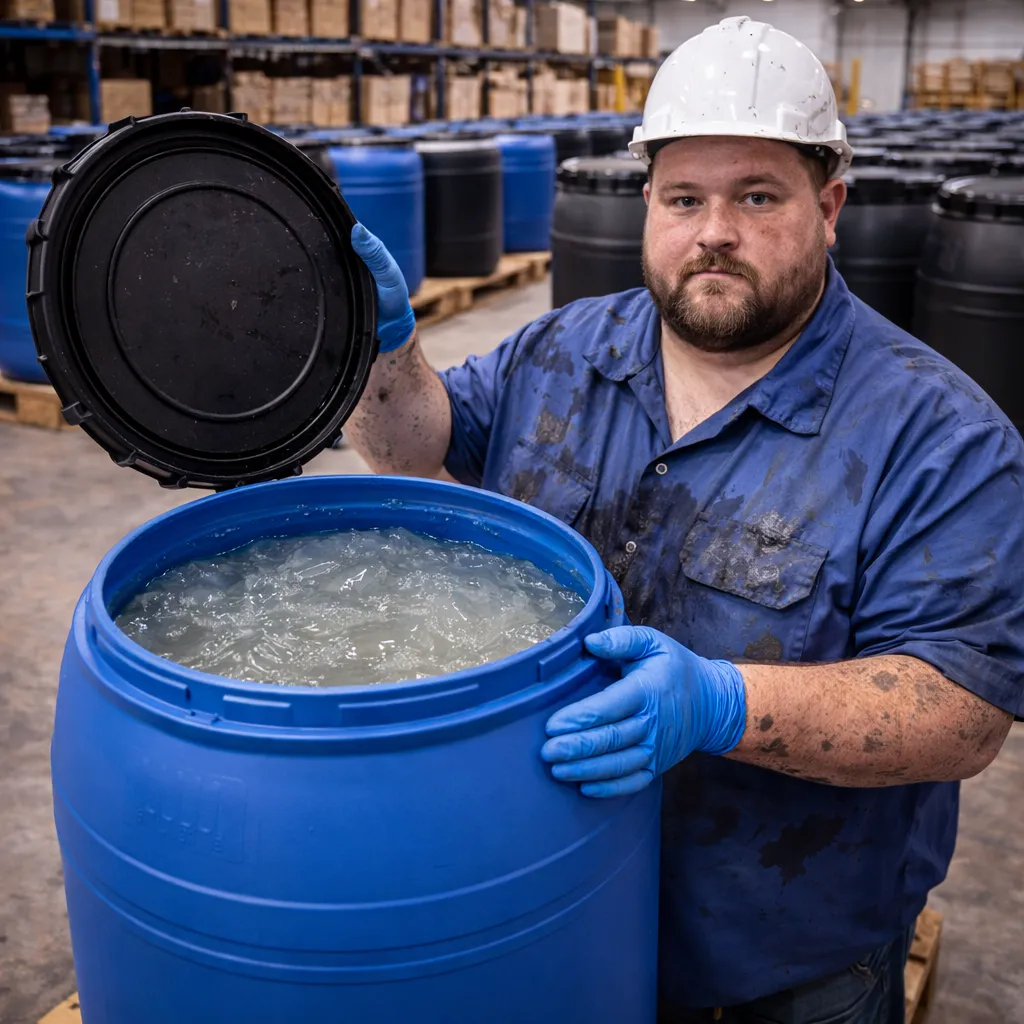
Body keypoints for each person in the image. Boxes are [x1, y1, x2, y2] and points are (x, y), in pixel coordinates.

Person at [347, 15, 1024, 1023]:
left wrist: (721, 705)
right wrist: (378, 350)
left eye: (757, 196)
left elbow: (959, 712)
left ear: (829, 206)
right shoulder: (561, 353)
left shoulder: (939, 436)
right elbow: (414, 448)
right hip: (551, 900)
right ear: (647, 207)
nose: (714, 230)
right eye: (684, 198)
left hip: (784, 960)